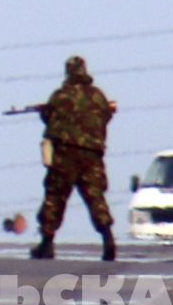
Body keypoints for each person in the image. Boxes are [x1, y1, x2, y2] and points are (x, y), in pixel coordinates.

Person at [31, 55, 117, 261]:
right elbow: (105, 117)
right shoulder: (98, 96)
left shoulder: (60, 96)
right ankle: (108, 239)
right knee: (95, 197)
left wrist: (44, 112)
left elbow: (50, 121)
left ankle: (47, 243)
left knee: (55, 197)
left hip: (65, 154)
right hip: (91, 156)